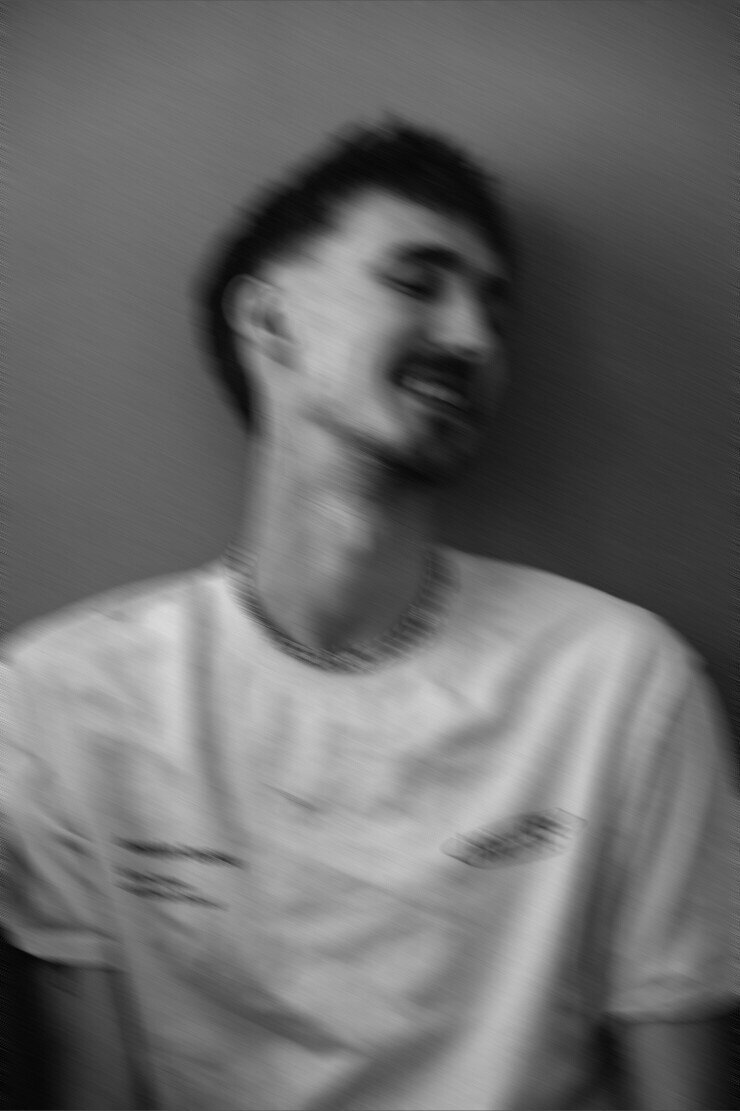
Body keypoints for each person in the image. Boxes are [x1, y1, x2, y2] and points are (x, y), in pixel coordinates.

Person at [2, 120, 735, 1111]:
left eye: (494, 310)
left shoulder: (619, 685)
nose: (473, 339)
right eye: (416, 281)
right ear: (269, 321)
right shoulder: (63, 705)